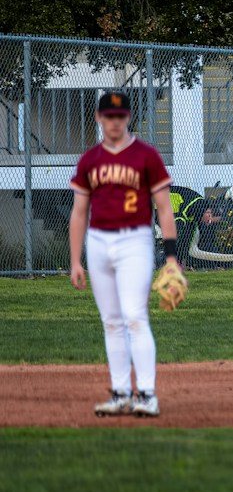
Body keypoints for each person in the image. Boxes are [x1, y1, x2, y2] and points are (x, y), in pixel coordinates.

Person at [68, 91, 181, 417]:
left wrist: (171, 256)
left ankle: (146, 394)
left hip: (135, 241)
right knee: (112, 322)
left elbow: (163, 208)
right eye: (108, 116)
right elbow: (79, 212)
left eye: (119, 116)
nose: (114, 122)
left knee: (134, 316)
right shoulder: (90, 160)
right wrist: (76, 260)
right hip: (99, 242)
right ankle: (120, 393)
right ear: (99, 119)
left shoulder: (146, 156)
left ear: (128, 117)